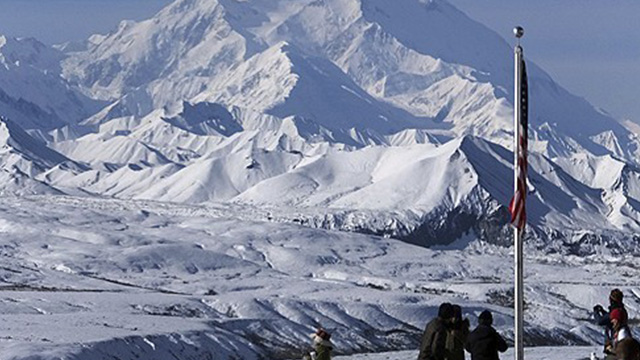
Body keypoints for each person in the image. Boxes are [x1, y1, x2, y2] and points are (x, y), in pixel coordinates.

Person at [594, 289, 629, 359]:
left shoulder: (615, 312)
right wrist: (603, 311)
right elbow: (610, 317)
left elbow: (600, 321)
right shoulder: (621, 310)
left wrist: (596, 312)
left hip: (615, 342)